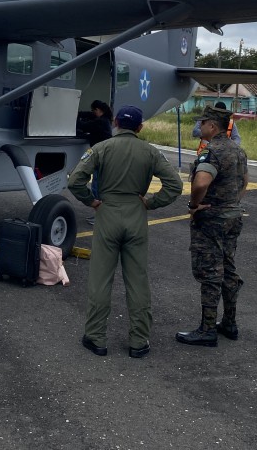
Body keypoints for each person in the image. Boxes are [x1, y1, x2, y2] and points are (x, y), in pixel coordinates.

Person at [68, 105, 183, 358]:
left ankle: (96, 337)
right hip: (136, 215)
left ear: (116, 123)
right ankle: (139, 341)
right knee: (138, 281)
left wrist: (91, 201)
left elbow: (74, 181)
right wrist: (152, 202)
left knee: (100, 280)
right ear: (140, 127)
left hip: (107, 213)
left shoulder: (101, 148)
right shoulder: (151, 152)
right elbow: (175, 184)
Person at [177, 105, 249, 347]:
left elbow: (200, 183)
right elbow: (244, 180)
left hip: (212, 220)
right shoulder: (237, 150)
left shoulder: (213, 152)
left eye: (203, 122)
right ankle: (229, 322)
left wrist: (194, 204)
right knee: (228, 269)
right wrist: (233, 202)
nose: (200, 126)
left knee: (210, 272)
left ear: (212, 126)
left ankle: (207, 328)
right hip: (232, 216)